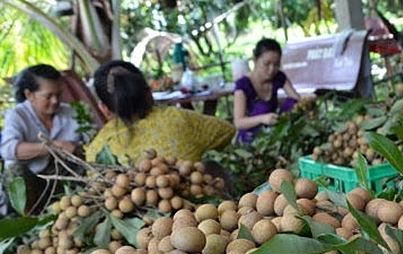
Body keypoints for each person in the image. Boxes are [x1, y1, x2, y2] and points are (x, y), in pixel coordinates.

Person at [86, 60, 235, 164]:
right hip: (197, 207)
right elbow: (227, 130)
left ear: (105, 109)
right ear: (149, 94)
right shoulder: (178, 119)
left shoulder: (96, 151)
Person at [0, 64, 87, 214]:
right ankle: (26, 219)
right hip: (31, 183)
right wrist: (54, 146)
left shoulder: (72, 112)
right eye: (48, 96)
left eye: (59, 94)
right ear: (29, 95)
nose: (55, 101)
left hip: (62, 184)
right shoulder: (16, 115)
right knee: (13, 170)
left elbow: (90, 142)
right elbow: (8, 149)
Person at [233, 38, 306, 144]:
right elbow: (238, 122)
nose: (272, 69)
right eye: (266, 64)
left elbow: (296, 99)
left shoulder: (279, 77)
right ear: (255, 60)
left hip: (273, 132)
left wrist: (306, 101)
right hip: (251, 136)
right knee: (263, 108)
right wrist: (262, 119)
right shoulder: (243, 85)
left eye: (276, 64)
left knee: (292, 103)